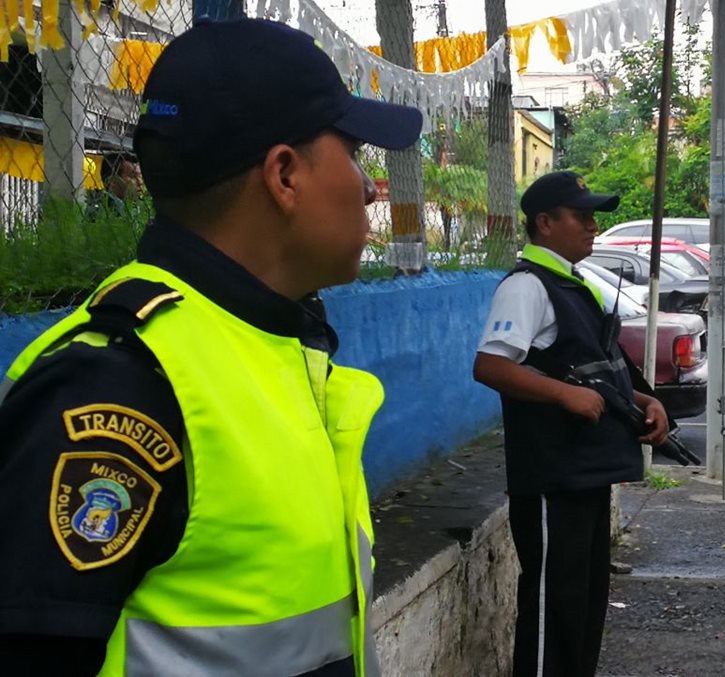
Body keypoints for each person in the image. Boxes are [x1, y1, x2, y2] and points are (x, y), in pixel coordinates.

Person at [0, 19, 423, 676]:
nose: (369, 188)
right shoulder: (118, 384)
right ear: (284, 175)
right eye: (355, 155)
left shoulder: (272, 343)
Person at [473, 171, 670, 677]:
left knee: (583, 602)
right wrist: (564, 395)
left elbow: (595, 366)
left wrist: (645, 399)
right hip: (551, 476)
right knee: (550, 605)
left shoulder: (574, 284)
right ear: (544, 223)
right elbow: (492, 366)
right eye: (580, 216)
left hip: (586, 471)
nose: (591, 227)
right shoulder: (527, 286)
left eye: (592, 217)